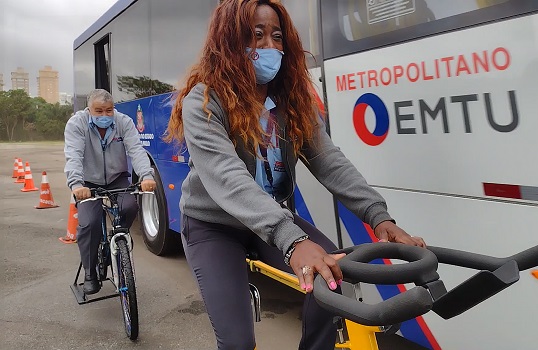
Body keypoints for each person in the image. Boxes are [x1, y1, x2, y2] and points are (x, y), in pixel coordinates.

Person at [164, 1, 426, 349]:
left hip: (271, 218)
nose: (271, 47)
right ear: (229, 40)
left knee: (334, 280)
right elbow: (227, 178)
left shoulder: (291, 101)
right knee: (238, 342)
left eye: (277, 37)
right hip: (213, 226)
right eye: (256, 36)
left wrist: (378, 216)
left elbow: (328, 160)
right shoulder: (204, 101)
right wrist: (292, 240)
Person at [64, 89, 156, 295]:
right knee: (89, 223)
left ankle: (118, 242)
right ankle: (90, 272)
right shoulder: (77, 124)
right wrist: (77, 184)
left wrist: (147, 176)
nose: (105, 115)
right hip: (88, 182)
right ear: (89, 110)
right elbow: (74, 155)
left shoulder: (123, 122)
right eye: (99, 111)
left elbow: (136, 150)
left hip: (117, 178)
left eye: (109, 110)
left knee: (130, 206)